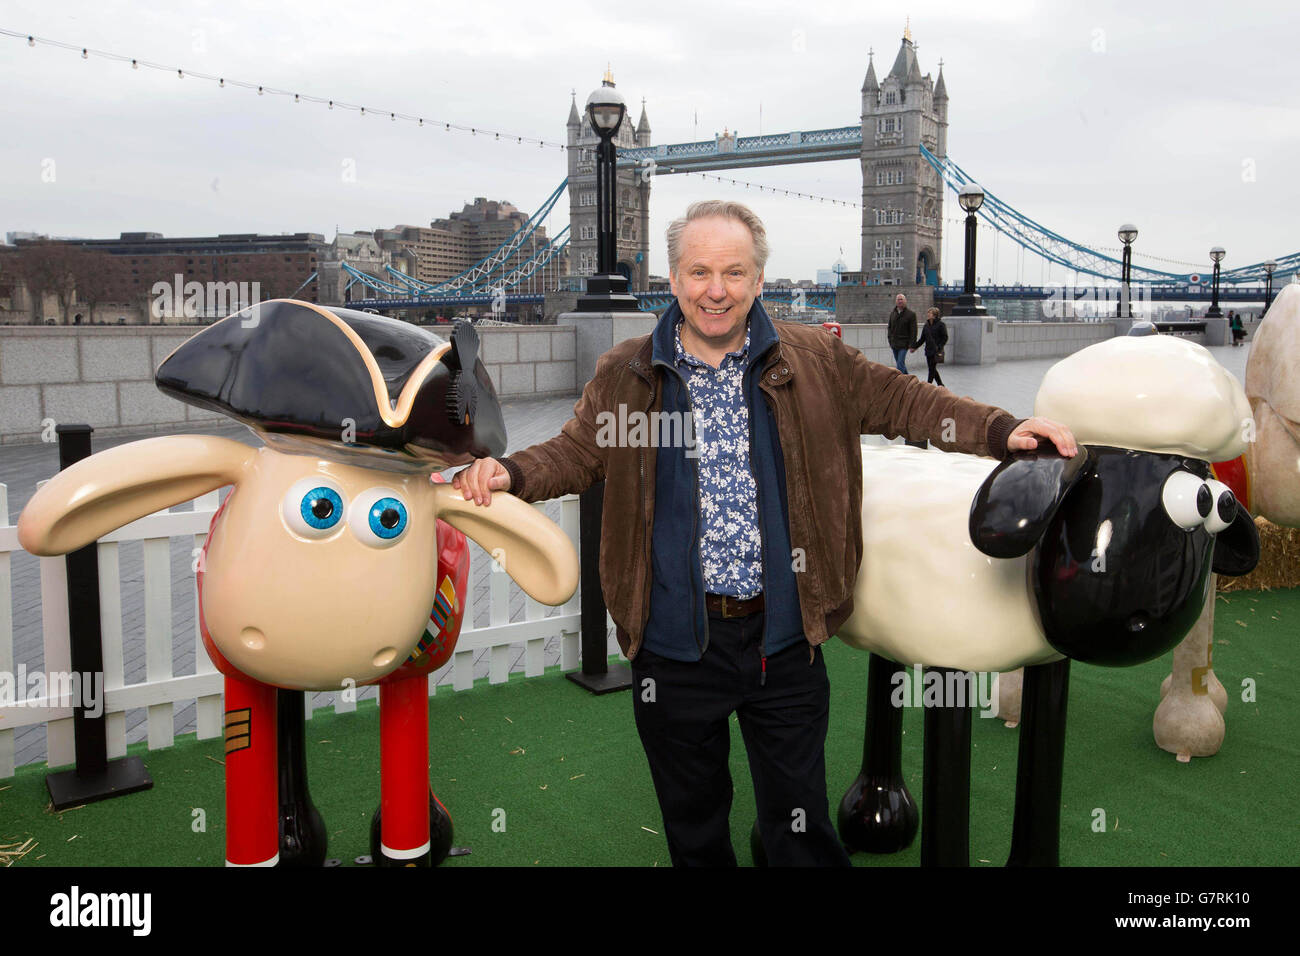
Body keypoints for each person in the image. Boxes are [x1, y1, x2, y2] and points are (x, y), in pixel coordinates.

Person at [451, 200, 1078, 867]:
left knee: (800, 830)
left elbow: (906, 401)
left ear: (757, 280)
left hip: (784, 640)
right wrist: (509, 472)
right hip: (672, 645)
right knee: (695, 829)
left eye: (733, 272)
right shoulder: (627, 375)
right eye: (699, 272)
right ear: (672, 279)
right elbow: (576, 452)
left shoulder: (813, 360)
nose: (715, 290)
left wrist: (998, 429)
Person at [910, 306, 949, 386]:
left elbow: (945, 337)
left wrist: (939, 346)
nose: (928, 314)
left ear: (935, 315)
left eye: (930, 313)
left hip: (936, 350)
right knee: (932, 369)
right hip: (928, 350)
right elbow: (922, 339)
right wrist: (914, 347)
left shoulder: (941, 324)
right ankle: (941, 385)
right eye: (928, 313)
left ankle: (928, 386)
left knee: (931, 369)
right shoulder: (926, 325)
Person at [886, 292, 917, 374]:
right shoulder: (893, 313)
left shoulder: (911, 314)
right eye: (898, 299)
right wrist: (890, 339)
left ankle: (901, 383)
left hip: (904, 344)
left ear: (905, 301)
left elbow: (914, 331)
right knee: (901, 364)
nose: (900, 301)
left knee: (899, 365)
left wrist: (912, 345)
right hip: (894, 343)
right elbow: (889, 328)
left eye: (901, 299)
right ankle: (909, 382)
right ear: (896, 301)